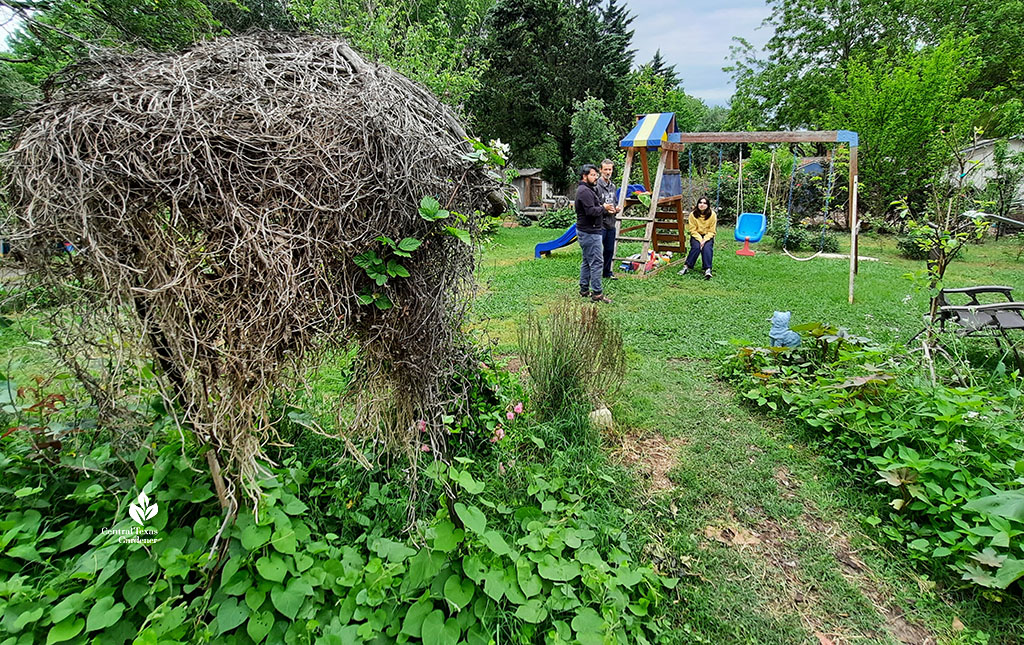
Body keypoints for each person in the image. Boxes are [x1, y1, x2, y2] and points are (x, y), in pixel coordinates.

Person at [575, 164, 617, 302]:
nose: (595, 177)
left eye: (595, 175)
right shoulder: (584, 191)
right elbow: (591, 211)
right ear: (584, 176)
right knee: (597, 262)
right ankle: (597, 294)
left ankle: (584, 289)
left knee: (587, 261)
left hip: (587, 231)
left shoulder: (587, 189)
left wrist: (606, 209)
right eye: (592, 175)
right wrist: (603, 208)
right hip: (590, 232)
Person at [679, 196, 716, 279]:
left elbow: (712, 231)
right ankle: (686, 266)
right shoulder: (692, 215)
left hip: (708, 235)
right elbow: (692, 230)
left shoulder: (712, 215)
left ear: (708, 205)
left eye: (704, 203)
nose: (702, 205)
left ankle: (707, 269)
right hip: (696, 235)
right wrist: (700, 240)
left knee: (707, 248)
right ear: (697, 204)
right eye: (700, 203)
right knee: (696, 247)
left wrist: (705, 239)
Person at [594, 159, 618, 280]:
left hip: (611, 223)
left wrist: (617, 208)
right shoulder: (596, 186)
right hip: (599, 224)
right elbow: (592, 206)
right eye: (606, 169)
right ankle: (595, 274)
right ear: (600, 170)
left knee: (609, 250)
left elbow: (614, 202)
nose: (608, 172)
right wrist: (605, 209)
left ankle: (607, 272)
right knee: (597, 251)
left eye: (610, 169)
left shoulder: (613, 186)